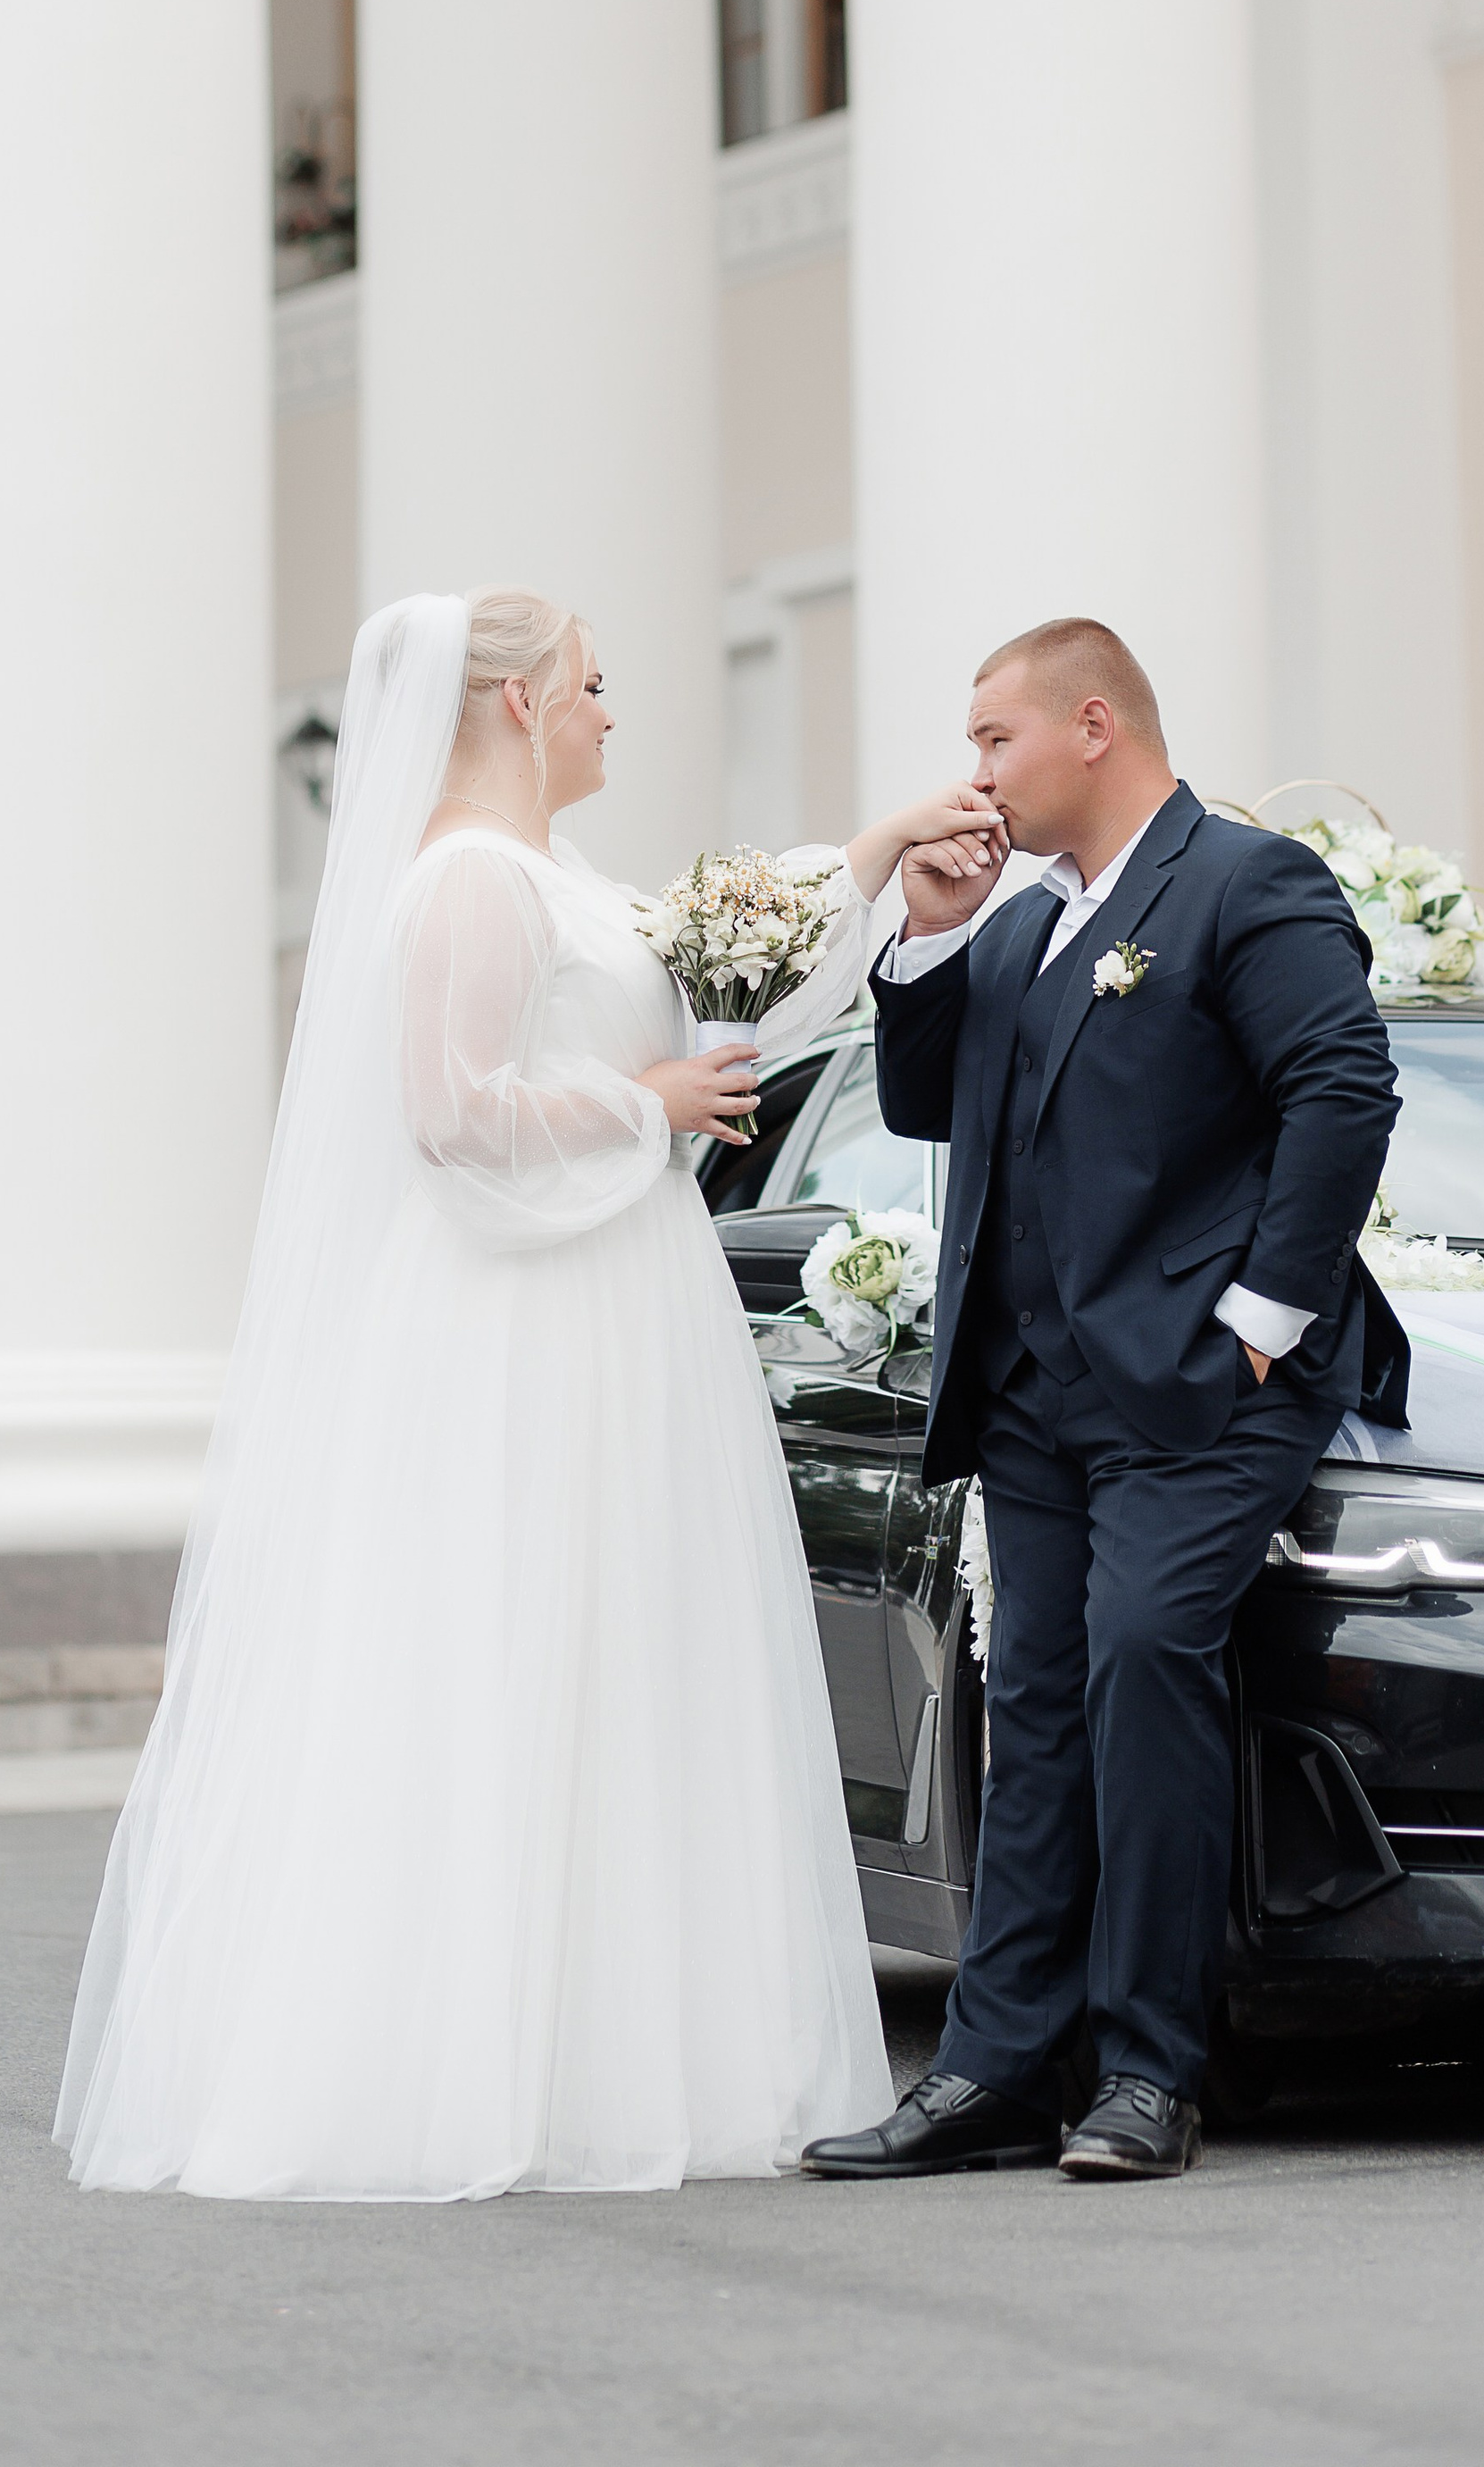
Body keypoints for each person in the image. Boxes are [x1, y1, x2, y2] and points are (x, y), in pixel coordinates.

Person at [55, 588, 1004, 2200]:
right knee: (514, 1652)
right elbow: (450, 1112)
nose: (608, 713)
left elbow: (725, 962)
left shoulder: (556, 878)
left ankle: (606, 2054)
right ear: (512, 704)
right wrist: (646, 1098)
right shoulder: (471, 883)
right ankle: (471, 2062)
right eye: (591, 686)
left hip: (618, 1304)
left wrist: (875, 856)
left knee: (615, 1663)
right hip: (526, 1325)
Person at [803, 618, 1406, 2184]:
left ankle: (1149, 2066)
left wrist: (1264, 1319)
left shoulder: (1245, 882)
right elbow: (932, 1104)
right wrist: (931, 936)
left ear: (1091, 726)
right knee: (1041, 1700)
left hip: (1205, 1382)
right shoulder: (1013, 925)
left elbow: (1341, 1089)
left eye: (993, 740)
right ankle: (1000, 2066)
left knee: (1149, 1661)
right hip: (1034, 1396)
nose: (973, 775)